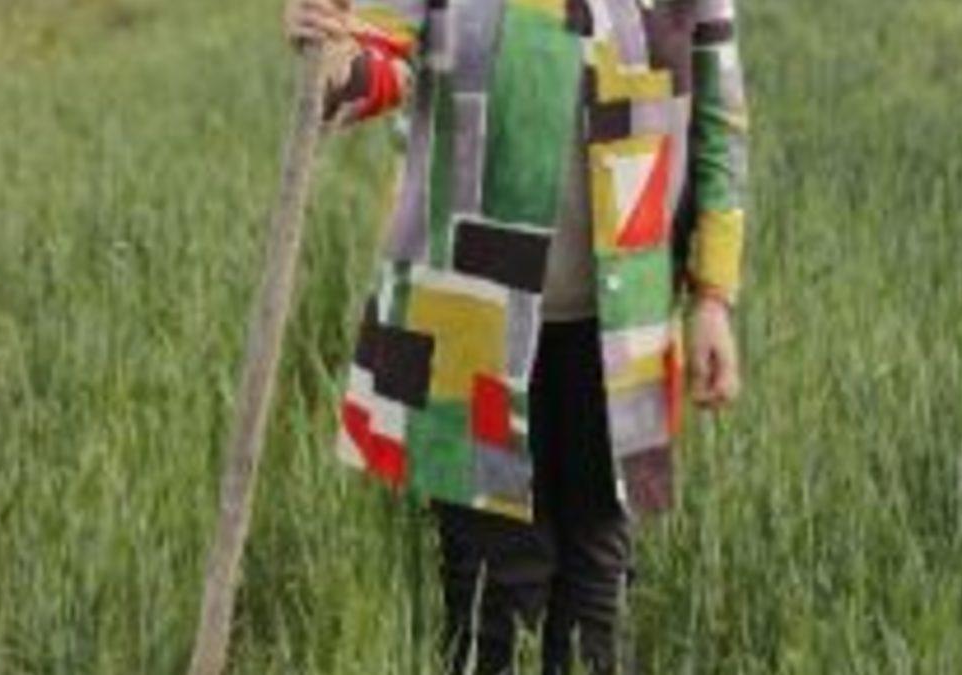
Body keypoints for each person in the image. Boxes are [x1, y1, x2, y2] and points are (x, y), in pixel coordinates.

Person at [283, 0, 749, 672]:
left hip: (622, 331)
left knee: (598, 584)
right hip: (469, 324)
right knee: (495, 596)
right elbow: (378, 64)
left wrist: (712, 295)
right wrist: (328, 51)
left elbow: (719, 121)